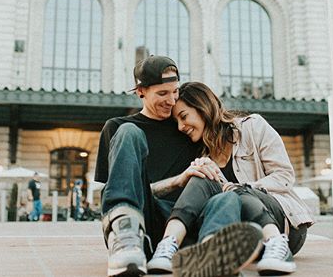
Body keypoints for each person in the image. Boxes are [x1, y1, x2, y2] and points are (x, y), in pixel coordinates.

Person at [95, 56, 263, 277]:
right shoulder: (117, 129)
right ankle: (127, 242)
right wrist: (178, 180)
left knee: (226, 198)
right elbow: (117, 190)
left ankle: (211, 255)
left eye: (174, 91)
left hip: (184, 225)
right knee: (128, 131)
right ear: (141, 91)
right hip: (143, 223)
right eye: (162, 93)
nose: (172, 100)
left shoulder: (186, 128)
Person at [147, 81, 313, 276]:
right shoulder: (202, 155)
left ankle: (277, 246)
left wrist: (242, 187)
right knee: (201, 174)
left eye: (183, 117)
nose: (181, 126)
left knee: (236, 191)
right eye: (177, 122)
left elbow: (284, 177)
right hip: (243, 234)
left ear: (203, 107)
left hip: (284, 226)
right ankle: (168, 247)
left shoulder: (253, 127)